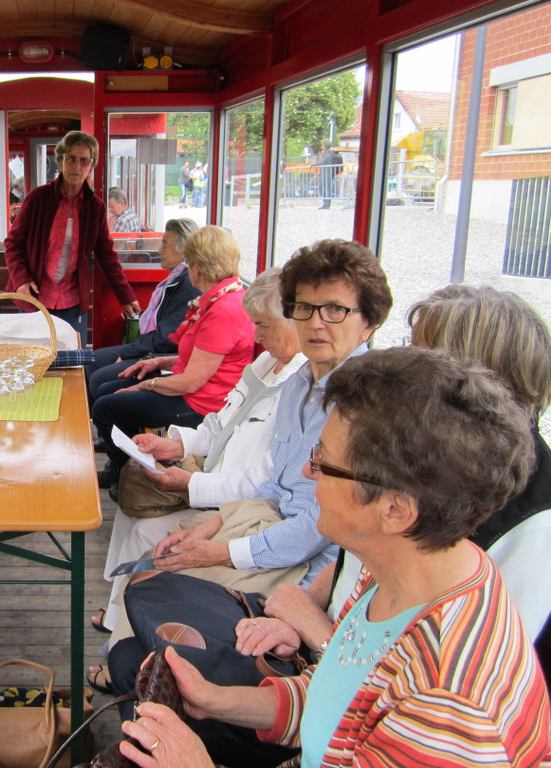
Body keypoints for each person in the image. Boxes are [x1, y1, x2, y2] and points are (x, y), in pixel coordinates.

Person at [115, 347, 551, 768]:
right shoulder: (397, 571)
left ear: (395, 510)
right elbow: (340, 696)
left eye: (323, 460)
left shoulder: (446, 704)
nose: (307, 471)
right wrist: (214, 699)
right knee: (132, 662)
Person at [107, 241, 393, 740]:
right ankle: (148, 705)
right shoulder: (300, 383)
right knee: (154, 573)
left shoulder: (367, 404)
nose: (316, 323)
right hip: (264, 521)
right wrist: (216, 525)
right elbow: (274, 484)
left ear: (368, 323)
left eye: (335, 310)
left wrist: (221, 551)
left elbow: (320, 529)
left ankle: (161, 720)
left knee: (159, 585)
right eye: (304, 308)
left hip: (309, 567)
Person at [238, 285, 551, 664]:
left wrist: (315, 632)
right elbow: (363, 560)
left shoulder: (533, 523)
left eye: (418, 357)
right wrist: (306, 603)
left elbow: (463, 674)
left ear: (469, 389)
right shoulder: (421, 455)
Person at [93, 268, 305, 636]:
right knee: (132, 505)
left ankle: (127, 628)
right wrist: (177, 444)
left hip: (239, 504)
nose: (257, 336)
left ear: (297, 319)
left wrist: (191, 484)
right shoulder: (266, 364)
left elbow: (264, 482)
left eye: (264, 325)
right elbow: (219, 424)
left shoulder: (300, 388)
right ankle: (118, 616)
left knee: (146, 531)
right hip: (214, 473)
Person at [91, 226, 255, 494]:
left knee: (106, 407)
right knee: (107, 390)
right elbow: (200, 356)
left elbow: (190, 382)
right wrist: (159, 363)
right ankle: (129, 466)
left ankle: (130, 477)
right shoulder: (220, 298)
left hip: (200, 406)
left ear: (198, 267)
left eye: (189, 262)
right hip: (192, 390)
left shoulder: (223, 311)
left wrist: (144, 385)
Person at [4, 130, 139, 340]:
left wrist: (126, 296)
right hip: (35, 295)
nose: (77, 166)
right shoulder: (38, 198)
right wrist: (21, 280)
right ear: (60, 162)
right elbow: (13, 244)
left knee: (72, 356)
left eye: (84, 161)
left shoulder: (95, 207)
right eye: (71, 159)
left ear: (91, 167)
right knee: (34, 356)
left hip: (71, 301)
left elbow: (106, 254)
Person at [87, 218, 201, 411]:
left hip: (163, 355)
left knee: (100, 379)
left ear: (185, 251)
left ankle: (105, 422)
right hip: (153, 347)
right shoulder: (175, 279)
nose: (159, 251)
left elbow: (166, 338)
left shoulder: (188, 285)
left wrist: (128, 353)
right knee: (93, 360)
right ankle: (93, 419)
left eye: (165, 245)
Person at [314, 139, 343, 210]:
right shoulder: (330, 152)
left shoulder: (327, 153)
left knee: (323, 187)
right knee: (326, 188)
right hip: (329, 172)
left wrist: (313, 165)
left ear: (324, 146)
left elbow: (322, 161)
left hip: (327, 173)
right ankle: (326, 203)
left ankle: (326, 203)